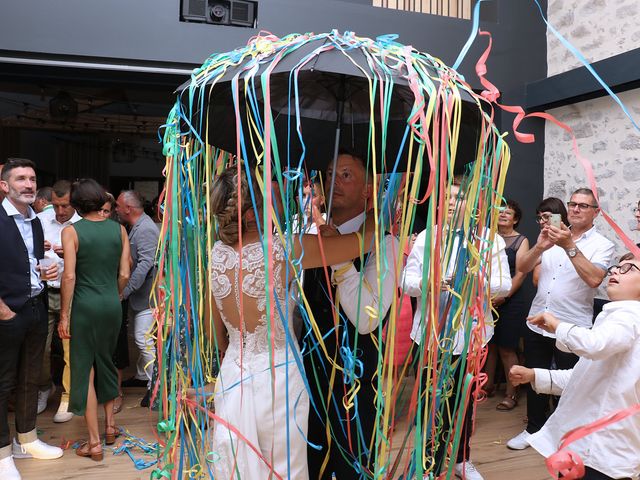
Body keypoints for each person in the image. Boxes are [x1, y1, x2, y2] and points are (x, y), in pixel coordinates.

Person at [199, 165, 378, 479]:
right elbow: (364, 241)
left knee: (239, 463)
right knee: (284, 465)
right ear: (255, 210)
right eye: (272, 193)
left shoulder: (215, 254)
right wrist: (379, 207)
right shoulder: (285, 248)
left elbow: (215, 332)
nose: (281, 197)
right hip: (279, 378)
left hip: (233, 377)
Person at [403, 178, 511, 480]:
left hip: (472, 336)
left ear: (473, 203)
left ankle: (462, 459)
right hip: (432, 336)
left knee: (463, 402)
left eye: (458, 197)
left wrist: (475, 280)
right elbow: (406, 282)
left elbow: (503, 283)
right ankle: (427, 464)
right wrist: (433, 283)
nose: (451, 203)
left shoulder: (490, 239)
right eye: (446, 198)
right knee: (430, 402)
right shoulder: (427, 238)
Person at [302, 149, 398, 479]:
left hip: (355, 389)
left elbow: (367, 318)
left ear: (368, 189)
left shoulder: (385, 245)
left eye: (346, 175)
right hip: (309, 383)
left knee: (351, 466)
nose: (334, 182)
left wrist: (340, 255)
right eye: (329, 174)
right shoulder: (310, 241)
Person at [510, 252, 640, 480]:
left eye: (629, 268)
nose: (616, 270)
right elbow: (584, 377)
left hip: (602, 447)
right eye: (617, 267)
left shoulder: (630, 317)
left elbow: (594, 344)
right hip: (584, 443)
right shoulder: (615, 317)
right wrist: (535, 376)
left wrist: (559, 325)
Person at [507, 188, 615, 451]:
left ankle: (566, 434)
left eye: (583, 206)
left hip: (572, 325)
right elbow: (523, 268)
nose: (576, 209)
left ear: (595, 213)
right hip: (538, 319)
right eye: (572, 204)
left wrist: (569, 245)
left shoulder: (603, 244)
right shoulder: (549, 236)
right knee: (534, 376)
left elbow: (593, 279)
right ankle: (533, 429)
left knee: (572, 381)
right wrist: (540, 247)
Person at [58, 179, 131, 461]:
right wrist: (114, 294)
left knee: (85, 370)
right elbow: (125, 273)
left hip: (85, 306)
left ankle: (94, 442)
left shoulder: (71, 232)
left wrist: (65, 315)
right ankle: (110, 427)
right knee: (107, 362)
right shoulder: (119, 229)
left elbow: (69, 276)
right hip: (111, 303)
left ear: (76, 205)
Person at [0, 158, 63, 480]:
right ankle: (1, 454)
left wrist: (47, 266)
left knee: (30, 378)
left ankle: (27, 439)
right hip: (7, 312)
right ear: (4, 185)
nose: (28, 184)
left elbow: (33, 261)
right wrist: (3, 310)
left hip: (37, 308)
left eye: (32, 178)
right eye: (21, 178)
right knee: (3, 383)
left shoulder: (36, 220)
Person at [37, 180, 81, 422]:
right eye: (55, 205)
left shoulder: (82, 225)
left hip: (71, 292)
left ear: (73, 203)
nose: (60, 211)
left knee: (69, 349)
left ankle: (68, 397)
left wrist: (74, 252)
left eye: (64, 206)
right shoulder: (41, 221)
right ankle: (44, 387)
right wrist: (36, 248)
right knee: (39, 348)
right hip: (43, 290)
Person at [116, 190, 160, 407]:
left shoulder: (145, 229)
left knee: (143, 339)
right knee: (145, 338)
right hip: (141, 297)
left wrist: (126, 290)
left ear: (128, 208)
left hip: (148, 296)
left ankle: (157, 388)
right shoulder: (137, 226)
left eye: (117, 205)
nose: (115, 209)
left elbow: (146, 263)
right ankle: (145, 378)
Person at [485, 199, 530, 411]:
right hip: (485, 300)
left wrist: (504, 295)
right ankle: (487, 385)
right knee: (488, 344)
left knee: (506, 348)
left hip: (510, 300)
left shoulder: (521, 241)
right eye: (500, 212)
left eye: (508, 213)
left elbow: (521, 273)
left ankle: (512, 393)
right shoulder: (487, 238)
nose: (503, 215)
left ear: (516, 219)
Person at [99, 193, 129, 415]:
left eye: (107, 211)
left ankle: (116, 392)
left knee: (115, 347)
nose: (102, 214)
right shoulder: (79, 231)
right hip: (94, 297)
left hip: (113, 296)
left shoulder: (118, 232)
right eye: (99, 209)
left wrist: (119, 291)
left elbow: (127, 266)